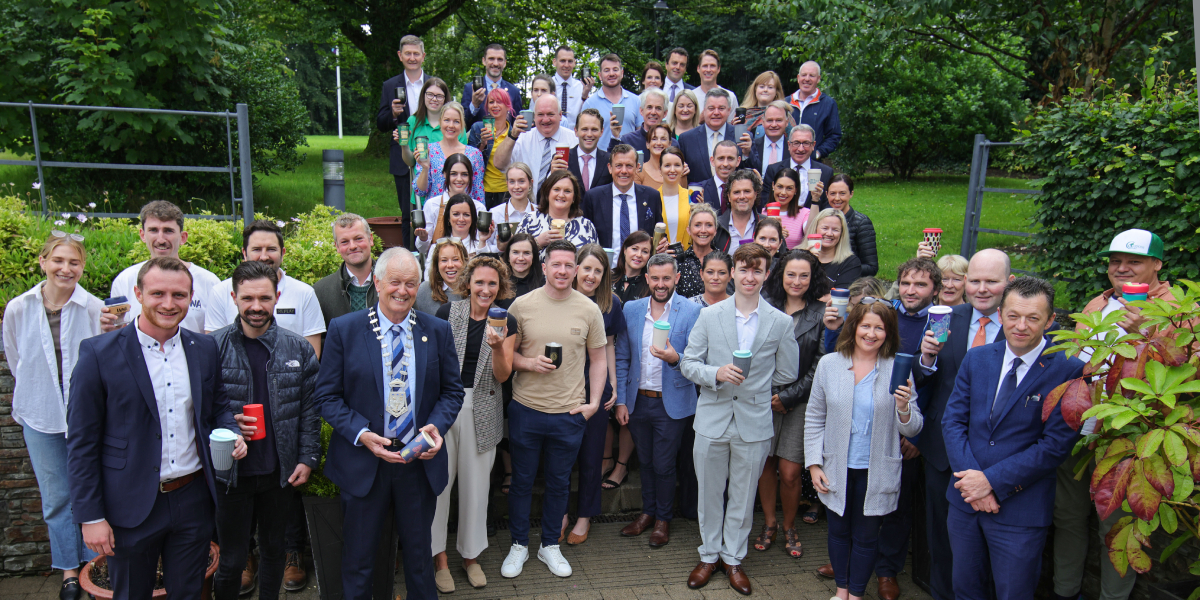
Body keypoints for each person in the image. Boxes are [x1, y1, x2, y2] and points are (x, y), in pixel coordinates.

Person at [67, 257, 246, 600]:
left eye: (179, 295)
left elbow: (218, 408)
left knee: (189, 594)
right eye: (158, 293)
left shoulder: (204, 348)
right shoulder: (98, 353)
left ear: (191, 297)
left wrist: (231, 433)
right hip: (129, 502)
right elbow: (81, 443)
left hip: (192, 498)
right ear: (138, 293)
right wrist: (90, 515)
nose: (168, 303)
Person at [313, 246, 464, 600]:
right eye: (395, 281)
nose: (403, 290)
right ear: (377, 283)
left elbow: (452, 393)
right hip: (365, 464)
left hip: (417, 464)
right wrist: (363, 434)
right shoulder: (345, 330)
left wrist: (436, 429)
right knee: (359, 558)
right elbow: (326, 397)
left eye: (411, 283)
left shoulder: (437, 330)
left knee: (418, 558)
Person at [941, 277, 1083, 600]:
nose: (1021, 326)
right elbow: (952, 422)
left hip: (1020, 510)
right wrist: (972, 484)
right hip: (964, 502)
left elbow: (1054, 446)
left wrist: (990, 482)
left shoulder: (1069, 370)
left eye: (1033, 318)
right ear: (1001, 314)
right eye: (1013, 316)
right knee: (965, 590)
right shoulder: (977, 359)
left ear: (1049, 321)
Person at [1051, 228, 1171, 600]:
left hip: (1129, 439)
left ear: (1157, 265)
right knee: (1067, 519)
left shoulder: (1180, 312)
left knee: (1115, 529)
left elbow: (1186, 367)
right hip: (1080, 432)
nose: (1122, 268)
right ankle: (1063, 592)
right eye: (1115, 261)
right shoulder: (1096, 305)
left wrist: (1149, 334)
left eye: (1133, 261)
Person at [680, 243, 799, 595]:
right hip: (713, 418)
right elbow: (688, 363)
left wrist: (758, 385)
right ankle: (708, 555)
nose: (749, 276)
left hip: (754, 420)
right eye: (743, 269)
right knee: (709, 494)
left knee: (744, 497)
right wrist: (716, 373)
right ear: (733, 272)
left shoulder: (780, 321)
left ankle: (733, 558)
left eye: (757, 270)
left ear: (766, 274)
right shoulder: (709, 315)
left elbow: (788, 371)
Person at [210, 261, 320, 600]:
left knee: (273, 553)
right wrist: (227, 419)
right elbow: (198, 410)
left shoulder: (297, 348)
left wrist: (307, 457)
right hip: (231, 474)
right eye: (247, 298)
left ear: (277, 297)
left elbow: (310, 410)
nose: (256, 307)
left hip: (278, 472)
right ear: (233, 297)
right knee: (230, 560)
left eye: (264, 297)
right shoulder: (212, 347)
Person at [909, 248, 1013, 600]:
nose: (982, 289)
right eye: (976, 281)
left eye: (992, 282)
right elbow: (923, 381)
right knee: (942, 541)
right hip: (942, 451)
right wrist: (925, 359)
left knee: (989, 547)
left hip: (996, 456)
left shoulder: (1020, 324)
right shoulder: (947, 316)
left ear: (1008, 284)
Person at [4, 231, 103, 600]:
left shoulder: (93, 308)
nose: (66, 268)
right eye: (58, 260)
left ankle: (97, 567)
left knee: (93, 493)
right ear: (43, 262)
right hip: (41, 415)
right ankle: (69, 572)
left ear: (82, 267)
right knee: (57, 497)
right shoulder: (19, 307)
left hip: (87, 418)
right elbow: (18, 360)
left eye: (74, 262)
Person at [501, 240, 608, 579]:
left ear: (576, 270)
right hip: (526, 409)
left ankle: (550, 545)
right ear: (544, 267)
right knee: (521, 482)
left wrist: (593, 404)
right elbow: (505, 358)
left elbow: (599, 359)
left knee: (560, 483)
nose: (562, 271)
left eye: (568, 265)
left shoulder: (589, 309)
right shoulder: (521, 305)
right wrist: (528, 362)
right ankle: (519, 544)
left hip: (569, 414)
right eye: (555, 264)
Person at [805, 299, 922, 600]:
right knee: (838, 533)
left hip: (876, 469)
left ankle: (856, 594)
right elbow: (815, 417)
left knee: (867, 537)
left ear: (888, 333)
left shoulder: (898, 367)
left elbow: (913, 428)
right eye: (865, 325)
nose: (871, 333)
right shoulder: (830, 365)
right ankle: (841, 592)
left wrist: (903, 406)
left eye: (879, 328)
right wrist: (814, 463)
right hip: (836, 466)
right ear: (853, 327)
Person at [430, 256, 517, 592]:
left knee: (477, 488)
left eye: (492, 284)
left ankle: (470, 557)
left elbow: (502, 375)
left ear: (501, 287)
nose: (485, 289)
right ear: (468, 283)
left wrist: (497, 348)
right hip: (444, 407)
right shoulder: (446, 314)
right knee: (439, 487)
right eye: (479, 282)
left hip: (483, 408)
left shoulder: (506, 321)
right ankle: (439, 559)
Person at [614, 253, 701, 546]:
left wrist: (676, 358)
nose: (660, 284)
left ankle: (663, 519)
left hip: (671, 402)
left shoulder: (691, 311)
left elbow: (699, 358)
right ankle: (647, 513)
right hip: (638, 400)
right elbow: (623, 355)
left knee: (664, 464)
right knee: (647, 462)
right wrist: (621, 401)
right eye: (655, 278)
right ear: (647, 278)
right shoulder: (632, 309)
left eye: (666, 278)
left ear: (676, 278)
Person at [752, 249, 828, 558]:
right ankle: (769, 523)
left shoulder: (821, 315)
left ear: (813, 279)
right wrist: (770, 394)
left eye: (804, 275)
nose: (796, 281)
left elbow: (821, 362)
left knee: (790, 471)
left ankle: (789, 525)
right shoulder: (764, 308)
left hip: (801, 402)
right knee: (765, 464)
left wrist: (789, 396)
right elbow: (755, 355)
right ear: (780, 276)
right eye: (791, 274)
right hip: (763, 399)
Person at [565, 245, 627, 543]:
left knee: (592, 455)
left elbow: (610, 347)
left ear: (605, 275)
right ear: (575, 268)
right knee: (561, 456)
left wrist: (613, 387)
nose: (591, 275)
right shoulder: (560, 296)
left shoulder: (610, 303)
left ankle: (585, 516)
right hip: (562, 387)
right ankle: (561, 513)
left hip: (596, 386)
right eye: (586, 268)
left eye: (598, 271)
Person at [206, 221, 325, 358]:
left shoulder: (304, 293)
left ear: (283, 252)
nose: (264, 256)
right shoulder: (220, 292)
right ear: (244, 253)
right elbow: (214, 347)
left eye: (271, 249)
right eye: (256, 249)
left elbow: (312, 354)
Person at [105, 200, 222, 334]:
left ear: (183, 237)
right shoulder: (124, 280)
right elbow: (116, 330)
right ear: (142, 235)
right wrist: (111, 328)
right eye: (153, 230)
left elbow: (216, 337)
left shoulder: (208, 282)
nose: (161, 239)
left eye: (168, 231)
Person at [376, 34, 430, 244]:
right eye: (408, 53)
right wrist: (393, 114)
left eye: (416, 53)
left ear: (423, 56)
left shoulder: (433, 84)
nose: (412, 58)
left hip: (430, 151)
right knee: (408, 213)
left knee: (431, 208)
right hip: (402, 155)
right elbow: (381, 123)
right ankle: (410, 256)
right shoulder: (390, 86)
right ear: (400, 56)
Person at [493, 94, 579, 195]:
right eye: (540, 114)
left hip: (561, 206)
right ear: (534, 117)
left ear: (560, 115)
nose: (545, 120)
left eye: (550, 114)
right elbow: (498, 164)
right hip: (527, 207)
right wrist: (512, 136)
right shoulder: (522, 137)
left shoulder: (574, 139)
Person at [582, 144, 663, 250]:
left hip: (641, 264)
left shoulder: (652, 197)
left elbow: (659, 235)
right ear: (610, 168)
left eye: (629, 166)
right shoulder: (593, 198)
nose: (624, 171)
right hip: (606, 265)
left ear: (637, 168)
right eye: (618, 165)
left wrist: (661, 244)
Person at [401, 78, 465, 209]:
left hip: (454, 194)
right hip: (424, 192)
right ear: (423, 95)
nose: (434, 99)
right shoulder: (413, 122)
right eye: (430, 94)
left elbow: (463, 159)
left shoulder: (455, 127)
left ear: (445, 98)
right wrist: (404, 145)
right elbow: (411, 162)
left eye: (439, 96)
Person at [413, 102, 485, 206]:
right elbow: (420, 191)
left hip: (464, 216)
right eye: (447, 120)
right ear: (440, 122)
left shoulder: (474, 154)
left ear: (462, 125)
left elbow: (478, 193)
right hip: (436, 213)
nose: (451, 125)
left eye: (456, 121)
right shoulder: (429, 150)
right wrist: (425, 167)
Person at [414, 155, 488, 256]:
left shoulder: (478, 207)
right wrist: (423, 238)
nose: (459, 179)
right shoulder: (432, 205)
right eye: (453, 174)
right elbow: (422, 249)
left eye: (464, 174)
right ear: (445, 174)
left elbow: (482, 246)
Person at [315, 213, 379, 330]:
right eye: (344, 242)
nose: (353, 246)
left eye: (358, 239)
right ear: (337, 247)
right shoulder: (321, 292)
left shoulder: (393, 283)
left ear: (370, 239)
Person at [515, 170, 599, 248]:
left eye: (567, 191)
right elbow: (514, 254)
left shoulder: (586, 226)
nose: (561, 195)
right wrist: (537, 242)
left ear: (574, 197)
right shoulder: (530, 220)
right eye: (556, 189)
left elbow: (594, 259)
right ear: (547, 193)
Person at [761, 124, 832, 210]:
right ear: (789, 145)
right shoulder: (774, 170)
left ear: (813, 145)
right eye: (796, 143)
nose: (801, 149)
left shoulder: (825, 172)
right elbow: (765, 202)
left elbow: (828, 206)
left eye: (806, 143)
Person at [581, 53, 641, 150]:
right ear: (600, 76)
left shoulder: (636, 101)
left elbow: (640, 135)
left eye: (615, 69)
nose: (611, 74)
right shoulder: (589, 104)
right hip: (600, 162)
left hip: (629, 162)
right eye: (607, 70)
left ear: (622, 73)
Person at [468, 88, 516, 209]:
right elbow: (469, 162)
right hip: (483, 191)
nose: (495, 105)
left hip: (507, 191)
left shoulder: (514, 133)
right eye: (491, 102)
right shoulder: (478, 128)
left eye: (499, 102)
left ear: (508, 106)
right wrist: (482, 144)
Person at [424, 193, 496, 271]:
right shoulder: (436, 248)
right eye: (456, 214)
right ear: (448, 217)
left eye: (466, 215)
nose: (461, 219)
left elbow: (487, 272)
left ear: (473, 218)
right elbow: (429, 279)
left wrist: (482, 241)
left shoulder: (481, 246)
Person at [678, 89, 735, 185]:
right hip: (698, 197)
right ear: (704, 110)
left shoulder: (741, 136)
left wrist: (747, 153)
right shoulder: (686, 139)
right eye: (711, 108)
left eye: (721, 108)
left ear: (729, 110)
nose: (716, 112)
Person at [787, 61, 842, 161]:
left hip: (812, 164)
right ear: (798, 78)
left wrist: (818, 153)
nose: (807, 79)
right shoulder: (786, 103)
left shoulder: (828, 104)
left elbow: (834, 135)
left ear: (818, 79)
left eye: (812, 75)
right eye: (804, 75)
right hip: (786, 162)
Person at [825, 174, 878, 277]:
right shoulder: (822, 220)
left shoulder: (862, 223)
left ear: (851, 194)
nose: (837, 198)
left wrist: (841, 268)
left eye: (842, 193)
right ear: (826, 194)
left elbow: (872, 267)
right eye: (832, 193)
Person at [461, 43, 523, 127]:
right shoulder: (470, 89)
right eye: (491, 59)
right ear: (484, 61)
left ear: (505, 63)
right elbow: (462, 124)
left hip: (506, 140)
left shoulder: (514, 92)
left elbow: (517, 125)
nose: (496, 63)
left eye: (500, 59)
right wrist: (474, 105)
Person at [676, 203, 728, 297]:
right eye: (697, 225)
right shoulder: (678, 261)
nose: (703, 230)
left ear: (715, 230)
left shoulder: (725, 261)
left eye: (709, 225)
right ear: (689, 230)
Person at [806, 208, 862, 289]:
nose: (829, 233)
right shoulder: (797, 256)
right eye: (825, 228)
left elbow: (839, 297)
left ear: (842, 234)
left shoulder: (851, 263)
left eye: (835, 230)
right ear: (815, 229)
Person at [738, 101, 791, 179]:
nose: (774, 125)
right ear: (763, 122)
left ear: (786, 122)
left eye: (779, 120)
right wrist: (747, 153)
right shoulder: (751, 146)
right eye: (770, 120)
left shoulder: (793, 148)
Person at [416, 238, 468, 315]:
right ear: (437, 265)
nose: (450, 265)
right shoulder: (424, 290)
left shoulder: (474, 290)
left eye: (455, 259)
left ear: (464, 262)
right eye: (444, 260)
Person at [567, 109, 613, 192]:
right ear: (576, 131)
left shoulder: (609, 160)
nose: (589, 134)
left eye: (594, 129)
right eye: (584, 129)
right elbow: (542, 196)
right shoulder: (563, 158)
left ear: (601, 132)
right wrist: (552, 174)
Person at [762, 167, 808, 250]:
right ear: (773, 185)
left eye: (789, 188)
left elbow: (811, 234)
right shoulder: (762, 214)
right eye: (780, 187)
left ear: (796, 190)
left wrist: (816, 201)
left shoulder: (804, 213)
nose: (783, 193)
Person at [717, 169, 763, 248]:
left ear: (755, 194)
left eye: (747, 191)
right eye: (736, 192)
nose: (742, 196)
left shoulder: (766, 223)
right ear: (729, 197)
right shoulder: (716, 226)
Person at [655, 146, 692, 246]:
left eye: (677, 165)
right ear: (660, 169)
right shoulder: (652, 198)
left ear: (683, 168)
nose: (672, 170)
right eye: (667, 165)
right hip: (661, 257)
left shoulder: (691, 196)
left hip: (687, 256)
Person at [619, 88, 674, 155]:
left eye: (658, 108)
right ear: (641, 111)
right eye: (649, 107)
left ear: (665, 113)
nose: (653, 112)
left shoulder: (673, 144)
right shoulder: (628, 141)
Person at [552, 45, 592, 130]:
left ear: (574, 63)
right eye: (562, 61)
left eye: (570, 61)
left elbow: (589, 117)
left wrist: (585, 96)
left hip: (575, 138)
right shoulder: (546, 86)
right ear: (554, 62)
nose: (566, 65)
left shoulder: (582, 87)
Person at [700, 141, 742, 213]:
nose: (725, 164)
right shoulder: (701, 189)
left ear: (738, 161)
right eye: (721, 158)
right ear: (712, 161)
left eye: (730, 158)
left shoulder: (744, 191)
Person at [694, 50, 737, 120]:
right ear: (698, 68)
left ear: (718, 69)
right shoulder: (691, 97)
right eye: (705, 66)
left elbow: (732, 127)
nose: (708, 70)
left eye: (712, 66)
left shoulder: (730, 96)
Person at [613, 231, 652, 304]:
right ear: (625, 250)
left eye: (645, 251)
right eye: (634, 249)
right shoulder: (608, 277)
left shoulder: (650, 285)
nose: (639, 255)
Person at [503, 232, 544, 297]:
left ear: (534, 257)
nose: (521, 258)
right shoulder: (499, 284)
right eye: (515, 252)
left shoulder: (545, 285)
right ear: (508, 256)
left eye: (526, 253)